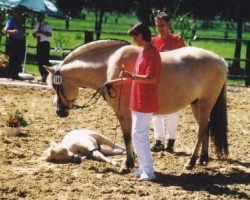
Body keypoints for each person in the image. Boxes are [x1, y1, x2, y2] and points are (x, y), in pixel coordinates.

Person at [107, 22, 161, 181]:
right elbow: (137, 78)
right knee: (137, 134)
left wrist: (133, 77)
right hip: (137, 99)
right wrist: (120, 80)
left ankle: (149, 171)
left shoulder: (153, 54)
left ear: (141, 36)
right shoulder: (143, 52)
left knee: (140, 134)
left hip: (145, 100)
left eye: (135, 37)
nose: (134, 40)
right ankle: (143, 167)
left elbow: (152, 79)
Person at [150, 11, 186, 153]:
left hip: (174, 82)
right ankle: (159, 140)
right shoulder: (153, 41)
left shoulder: (177, 40)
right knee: (155, 111)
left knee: (174, 111)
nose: (160, 28)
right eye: (158, 25)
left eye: (162, 25)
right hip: (156, 81)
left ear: (168, 24)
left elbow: (185, 61)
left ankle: (171, 140)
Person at [3, 8, 25, 80]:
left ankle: (15, 74)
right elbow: (5, 31)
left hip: (19, 42)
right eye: (18, 13)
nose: (20, 15)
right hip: (14, 41)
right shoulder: (11, 20)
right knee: (13, 58)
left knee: (18, 59)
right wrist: (13, 31)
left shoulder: (19, 21)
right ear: (15, 13)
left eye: (20, 14)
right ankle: (10, 75)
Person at [33, 13, 52, 83]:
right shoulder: (37, 25)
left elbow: (50, 34)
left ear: (43, 17)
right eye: (37, 16)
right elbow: (34, 34)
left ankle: (46, 75)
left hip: (45, 44)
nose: (38, 17)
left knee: (45, 60)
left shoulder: (47, 25)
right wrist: (35, 34)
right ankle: (42, 75)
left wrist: (42, 32)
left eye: (39, 16)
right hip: (39, 43)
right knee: (39, 60)